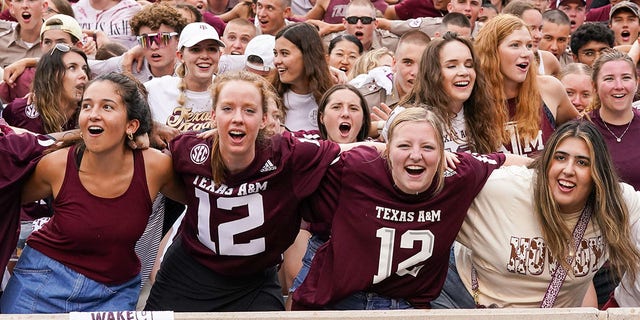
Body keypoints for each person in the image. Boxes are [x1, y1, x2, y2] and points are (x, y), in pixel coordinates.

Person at [144, 71, 378, 312]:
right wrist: (142, 134)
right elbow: (156, 169)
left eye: (249, 110)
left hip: (253, 281)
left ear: (265, 118)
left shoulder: (288, 153)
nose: (238, 118)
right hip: (191, 271)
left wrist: (398, 145)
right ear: (213, 115)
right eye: (227, 109)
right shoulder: (190, 148)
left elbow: (350, 150)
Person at [291, 107, 529, 310]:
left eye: (428, 147)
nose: (416, 156)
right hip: (339, 300)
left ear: (442, 153)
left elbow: (506, 160)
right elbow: (291, 151)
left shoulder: (458, 173)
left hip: (405, 306)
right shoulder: (357, 166)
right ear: (387, 150)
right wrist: (364, 146)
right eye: (404, 145)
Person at [0, 72, 185, 313]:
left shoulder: (156, 166)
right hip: (41, 281)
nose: (93, 113)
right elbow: (7, 198)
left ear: (132, 125)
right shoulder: (56, 164)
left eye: (107, 107)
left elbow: (203, 198)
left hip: (113, 292)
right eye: (86, 106)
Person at [433, 119, 640, 308]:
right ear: (547, 161)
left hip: (553, 311)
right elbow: (430, 190)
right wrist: (435, 161)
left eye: (582, 162)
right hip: (467, 299)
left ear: (598, 174)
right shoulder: (504, 189)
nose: (568, 170)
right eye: (560, 157)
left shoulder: (615, 203)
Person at [474, 14, 579, 157]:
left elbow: (582, 134)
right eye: (515, 45)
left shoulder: (549, 88)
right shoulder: (472, 97)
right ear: (491, 51)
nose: (526, 53)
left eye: (529, 46)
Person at [398, 32, 502, 154]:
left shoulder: (482, 112)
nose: (464, 72)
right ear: (432, 73)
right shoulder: (407, 117)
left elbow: (497, 159)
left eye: (469, 65)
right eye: (452, 66)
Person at [145, 22, 224, 134]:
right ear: (180, 56)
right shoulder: (155, 88)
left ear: (220, 55)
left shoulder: (230, 91)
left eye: (211, 49)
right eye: (195, 50)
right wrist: (152, 127)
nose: (205, 56)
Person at [3, 44, 88, 134]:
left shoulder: (90, 116)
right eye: (72, 68)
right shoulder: (18, 111)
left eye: (85, 69)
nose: (83, 75)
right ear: (51, 75)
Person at [272, 22, 333, 131]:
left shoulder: (334, 94)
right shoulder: (268, 97)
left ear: (308, 56)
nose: (276, 61)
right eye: (275, 53)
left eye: (285, 53)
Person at [502, 1, 561, 77]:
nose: (539, 36)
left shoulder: (548, 60)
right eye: (531, 28)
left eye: (540, 28)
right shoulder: (493, 61)